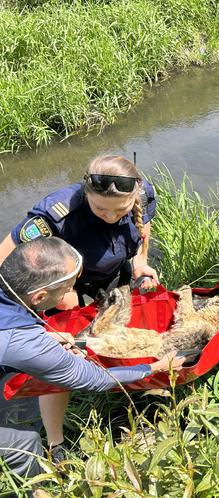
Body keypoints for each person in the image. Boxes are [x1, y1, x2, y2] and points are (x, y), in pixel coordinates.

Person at [0, 155, 159, 459]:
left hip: (112, 276)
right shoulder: (57, 214)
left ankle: (131, 387)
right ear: (86, 193)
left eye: (120, 210)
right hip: (61, 289)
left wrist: (141, 265)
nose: (111, 217)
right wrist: (55, 300)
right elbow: (6, 263)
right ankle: (56, 441)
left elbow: (143, 231)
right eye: (101, 208)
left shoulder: (144, 193)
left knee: (121, 332)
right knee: (58, 364)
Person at [0, 237, 184, 479]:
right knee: (23, 445)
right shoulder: (20, 341)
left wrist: (45, 337)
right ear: (39, 297)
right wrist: (155, 367)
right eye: (67, 289)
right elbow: (95, 378)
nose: (71, 293)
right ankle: (37, 491)